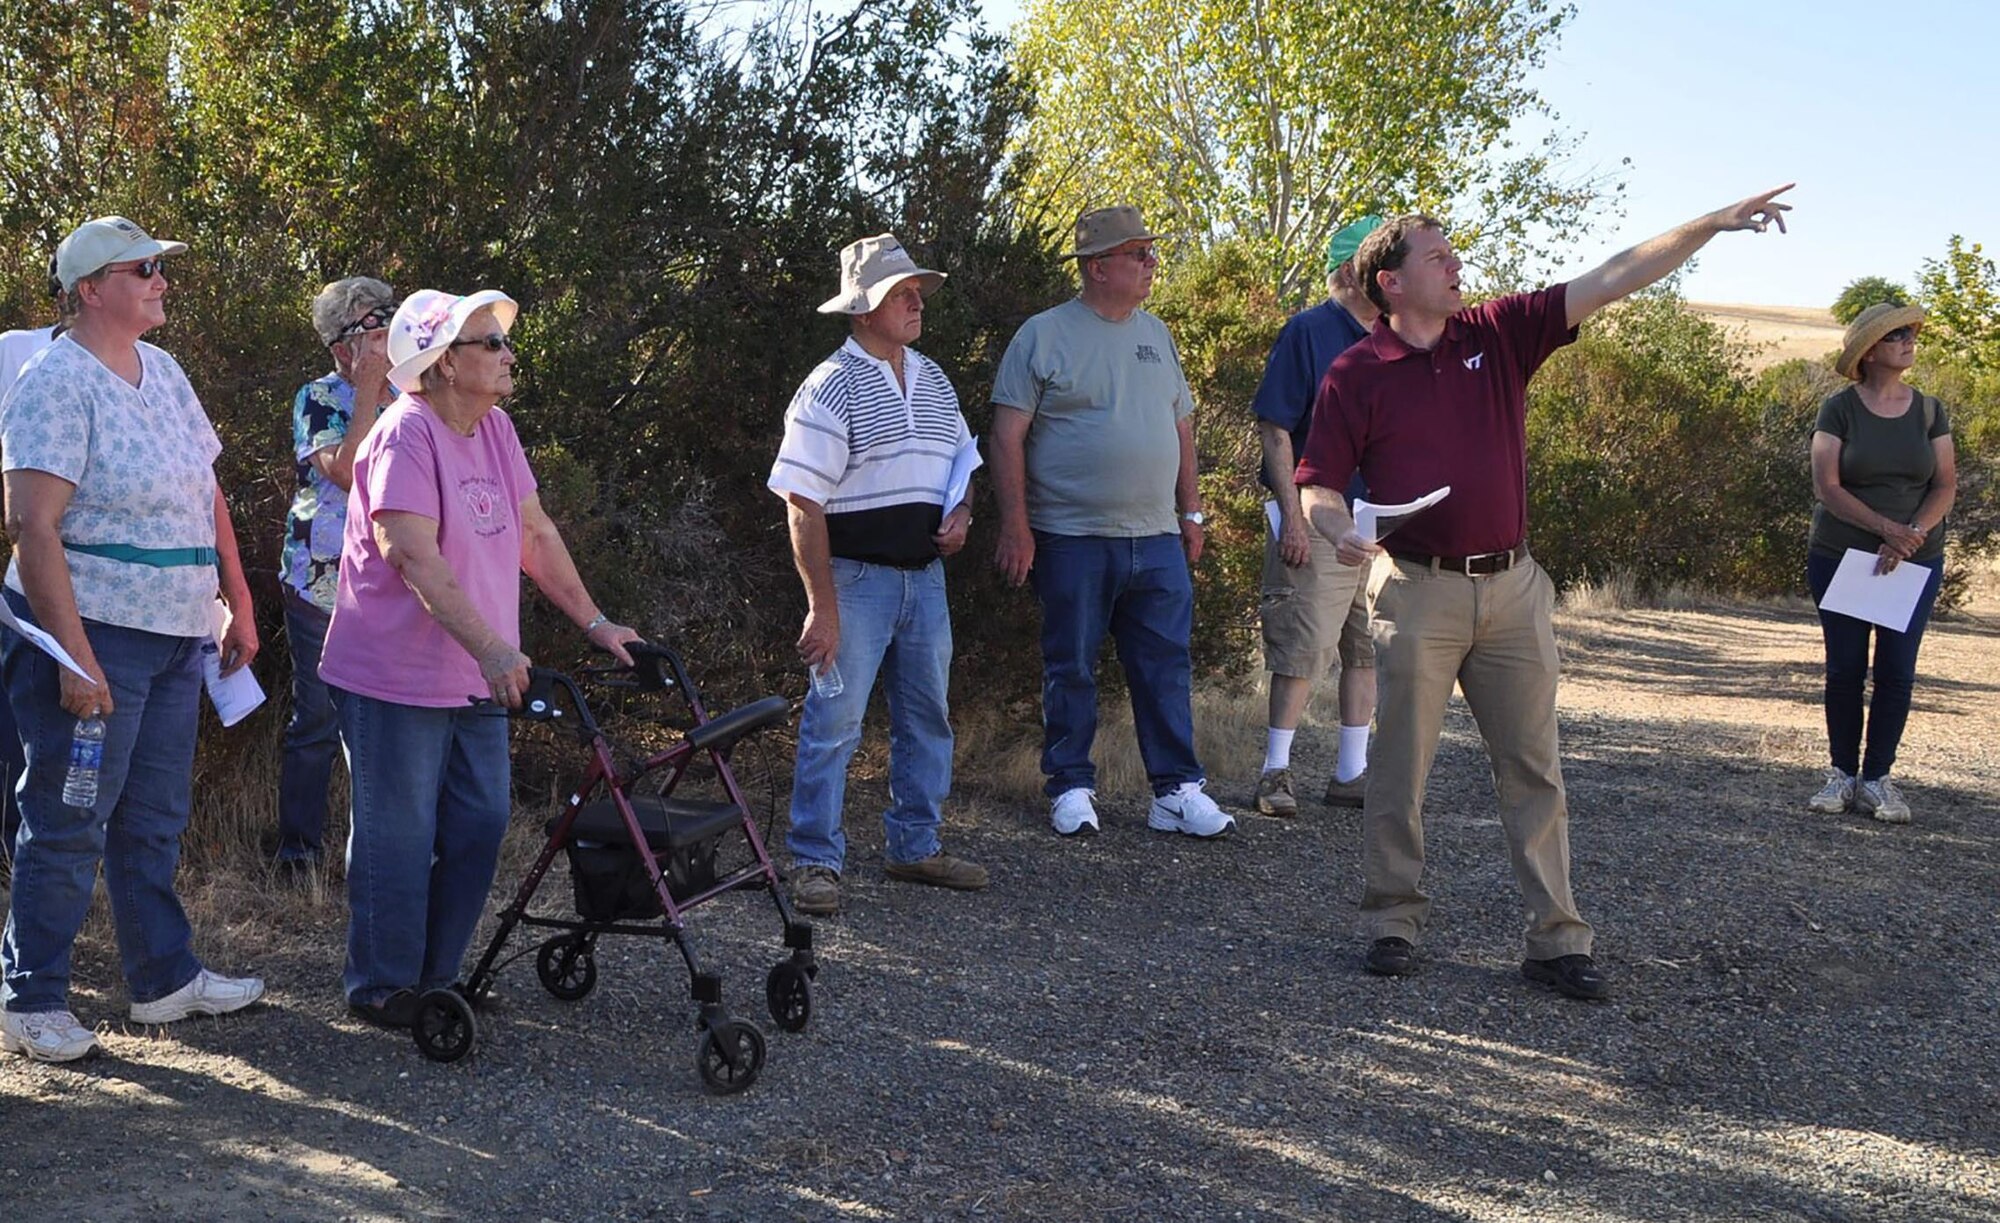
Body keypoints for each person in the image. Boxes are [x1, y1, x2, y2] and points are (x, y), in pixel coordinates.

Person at [1296, 186, 1794, 1001]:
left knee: (1535, 766)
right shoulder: (1356, 373)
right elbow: (1317, 485)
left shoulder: (1499, 332)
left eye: (1454, 254)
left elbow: (1616, 274)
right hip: (1417, 591)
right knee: (1399, 766)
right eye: (1438, 257)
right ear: (1390, 281)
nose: (1458, 267)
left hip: (1516, 588)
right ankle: (1392, 921)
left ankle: (1557, 939)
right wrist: (1335, 528)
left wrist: (1710, 222)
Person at [315, 288, 641, 1028]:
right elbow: (411, 554)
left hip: (478, 674)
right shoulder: (405, 433)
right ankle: (384, 985)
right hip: (394, 675)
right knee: (398, 835)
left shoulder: (496, 427)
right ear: (440, 363)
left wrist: (595, 621)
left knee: (481, 820)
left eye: (501, 340)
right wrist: (493, 646)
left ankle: (441, 975)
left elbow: (535, 534)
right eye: (488, 343)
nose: (506, 353)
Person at [0, 216, 265, 1061]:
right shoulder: (53, 381)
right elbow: (32, 528)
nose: (160, 278)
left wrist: (237, 599)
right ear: (90, 288)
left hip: (177, 630)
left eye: (159, 265)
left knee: (154, 814)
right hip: (96, 631)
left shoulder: (169, 370)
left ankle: (162, 977)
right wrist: (74, 656)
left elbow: (207, 491)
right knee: (70, 813)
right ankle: (31, 995)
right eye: (142, 267)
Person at [991, 205, 1233, 840]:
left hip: (1155, 537)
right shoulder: (1041, 335)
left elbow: (1181, 426)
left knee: (1165, 664)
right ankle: (1071, 786)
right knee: (1070, 664)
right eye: (1139, 254)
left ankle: (1176, 791)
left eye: (1151, 253)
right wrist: (1016, 526)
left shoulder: (1157, 333)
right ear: (1098, 267)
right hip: (1070, 536)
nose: (1153, 264)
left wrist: (1192, 510)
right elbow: (1006, 436)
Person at [768, 234, 988, 916]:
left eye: (917, 288)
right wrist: (821, 606)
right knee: (834, 721)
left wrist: (963, 515)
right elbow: (801, 501)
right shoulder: (829, 387)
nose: (916, 300)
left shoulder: (933, 376)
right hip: (855, 580)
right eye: (900, 292)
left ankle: (915, 845)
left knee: (928, 718)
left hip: (925, 580)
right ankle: (813, 861)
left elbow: (963, 463)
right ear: (864, 310)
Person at [1251, 215, 1385, 817]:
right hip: (1317, 518)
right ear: (1357, 271)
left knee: (1368, 650)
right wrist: (1294, 518)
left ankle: (1351, 775)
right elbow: (1276, 425)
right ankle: (1274, 773)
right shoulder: (1307, 332)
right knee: (1303, 650)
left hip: (1381, 524)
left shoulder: (1398, 336)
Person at [1804, 302, 1955, 825]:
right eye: (1897, 335)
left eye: (1912, 332)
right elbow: (1828, 486)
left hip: (1915, 559)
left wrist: (1910, 536)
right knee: (1845, 668)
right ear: (1869, 352)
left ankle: (1878, 780)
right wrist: (1885, 530)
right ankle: (1842, 774)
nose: (1910, 340)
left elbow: (1945, 483)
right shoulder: (1838, 409)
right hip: (1842, 554)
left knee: (1896, 670)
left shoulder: (1930, 410)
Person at [273, 277, 395, 876]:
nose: (387, 332)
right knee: (317, 720)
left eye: (390, 319)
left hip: (391, 586)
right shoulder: (316, 397)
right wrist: (370, 388)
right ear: (341, 343)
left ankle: (378, 852)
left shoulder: (411, 394)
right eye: (375, 323)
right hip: (321, 583)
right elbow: (348, 473)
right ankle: (297, 855)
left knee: (382, 724)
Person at [0, 256, 63, 874]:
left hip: (92, 586)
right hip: (24, 574)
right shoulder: (15, 350)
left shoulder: (145, 364)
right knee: (20, 734)